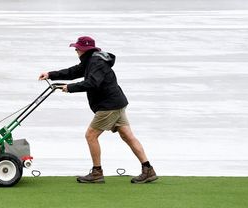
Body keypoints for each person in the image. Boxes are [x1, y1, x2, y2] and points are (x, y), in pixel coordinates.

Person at [38, 36, 158, 184]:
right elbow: (73, 71)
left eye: (77, 48)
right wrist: (50, 74)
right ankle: (148, 169)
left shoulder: (97, 62)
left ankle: (97, 172)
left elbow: (92, 83)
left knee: (90, 135)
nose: (75, 50)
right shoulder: (90, 60)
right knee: (128, 136)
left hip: (109, 106)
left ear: (85, 49)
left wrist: (70, 88)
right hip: (117, 103)